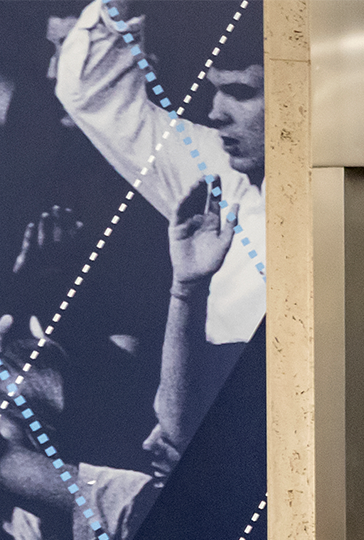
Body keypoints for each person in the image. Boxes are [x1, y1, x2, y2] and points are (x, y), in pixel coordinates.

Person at [55, 0, 267, 346]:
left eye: (241, 92)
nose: (215, 113)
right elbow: (89, 94)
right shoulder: (218, 167)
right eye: (217, 89)